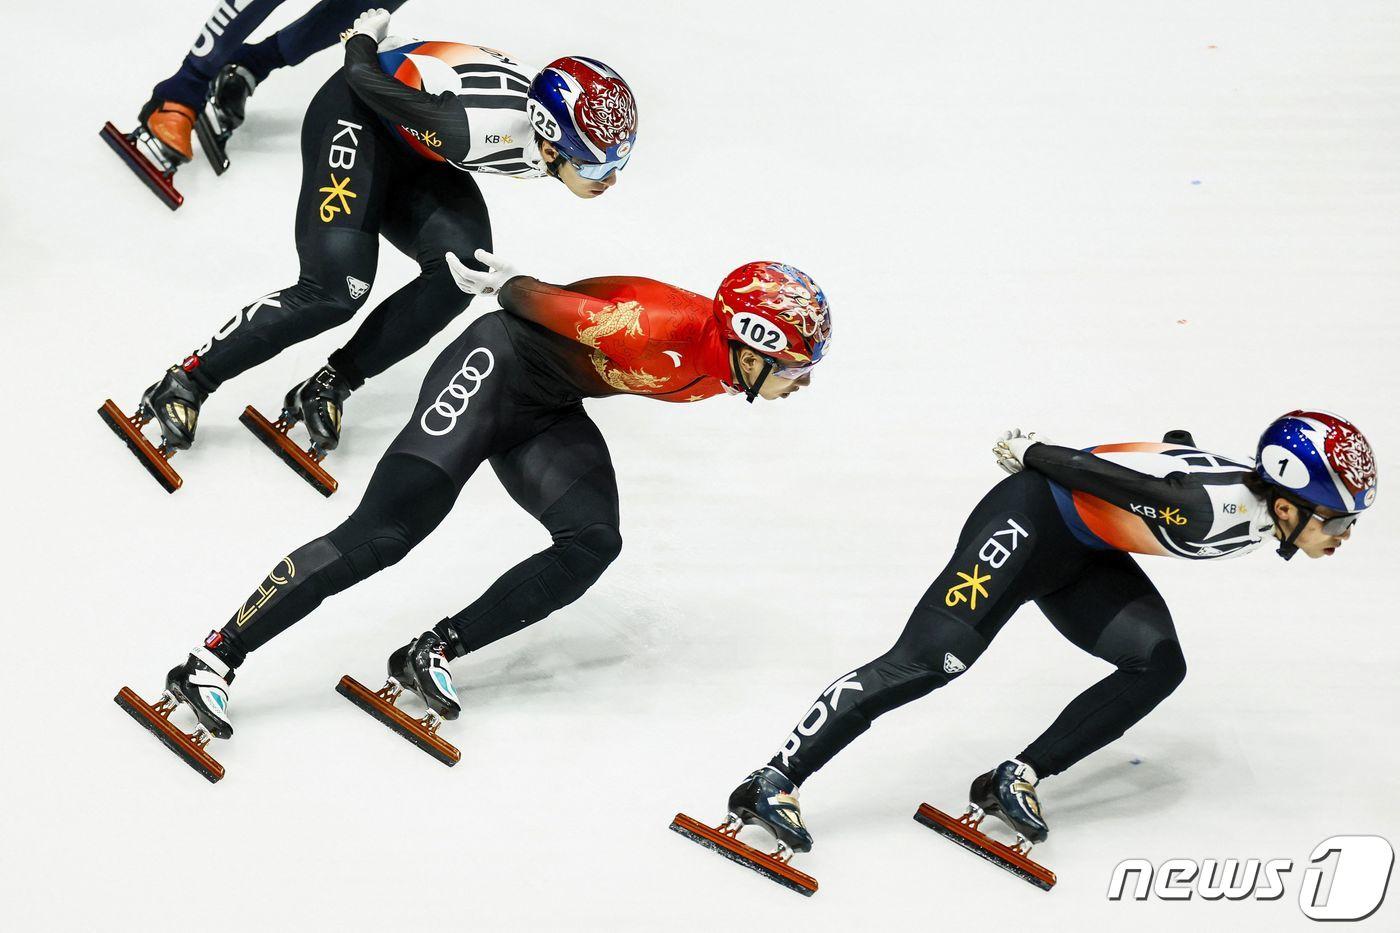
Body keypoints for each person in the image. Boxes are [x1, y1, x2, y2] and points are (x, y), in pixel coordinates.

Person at [116, 255, 834, 775]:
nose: (801, 385)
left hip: (546, 406)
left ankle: (432, 650)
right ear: (756, 346)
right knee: (385, 533)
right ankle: (212, 657)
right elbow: (529, 300)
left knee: (592, 539)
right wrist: (505, 281)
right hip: (495, 364)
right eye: (797, 368)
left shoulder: (722, 356)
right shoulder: (656, 327)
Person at [718, 412, 1377, 864]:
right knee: (929, 661)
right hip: (1029, 521)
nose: (1343, 537)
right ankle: (772, 780)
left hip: (1085, 552)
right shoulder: (1212, 512)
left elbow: (1176, 445)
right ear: (1290, 503)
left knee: (1158, 663)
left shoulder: (1260, 509)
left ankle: (1016, 777)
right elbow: (1113, 479)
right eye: (1339, 520)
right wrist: (1034, 452)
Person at [101, 9, 640, 493]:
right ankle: (187, 380)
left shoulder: (538, 131)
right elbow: (362, 77)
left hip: (414, 148)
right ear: (549, 142)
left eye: (616, 164)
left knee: (463, 272)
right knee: (335, 290)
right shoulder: (474, 128)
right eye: (596, 167)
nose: (608, 181)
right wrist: (364, 35)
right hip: (356, 115)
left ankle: (330, 385)